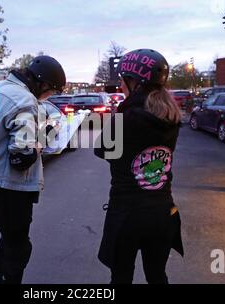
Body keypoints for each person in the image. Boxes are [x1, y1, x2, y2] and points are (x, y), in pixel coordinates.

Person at [0, 55, 66, 284]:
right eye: (51, 91)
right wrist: (43, 139)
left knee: (9, 238)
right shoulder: (24, 101)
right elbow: (21, 158)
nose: (48, 96)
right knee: (19, 247)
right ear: (42, 83)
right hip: (8, 186)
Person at [95, 49, 184, 284]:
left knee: (121, 276)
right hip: (163, 211)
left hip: (127, 214)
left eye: (123, 80)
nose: (122, 86)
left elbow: (101, 151)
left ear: (133, 82)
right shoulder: (171, 118)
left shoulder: (123, 120)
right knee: (157, 275)